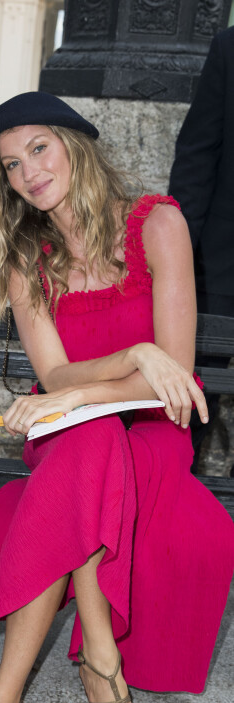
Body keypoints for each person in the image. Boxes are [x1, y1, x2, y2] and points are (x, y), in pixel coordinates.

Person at [0, 91, 234, 703]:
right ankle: (101, 669)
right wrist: (119, 361)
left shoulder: (158, 224)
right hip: (74, 436)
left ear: (76, 142)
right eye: (10, 165)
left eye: (38, 149)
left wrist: (79, 395)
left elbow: (172, 375)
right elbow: (55, 377)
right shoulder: (27, 257)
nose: (26, 173)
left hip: (155, 435)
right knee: (89, 445)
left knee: (94, 444)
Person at [169, 26, 234, 468]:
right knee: (191, 402)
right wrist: (177, 255)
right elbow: (197, 153)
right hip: (219, 267)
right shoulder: (230, 47)